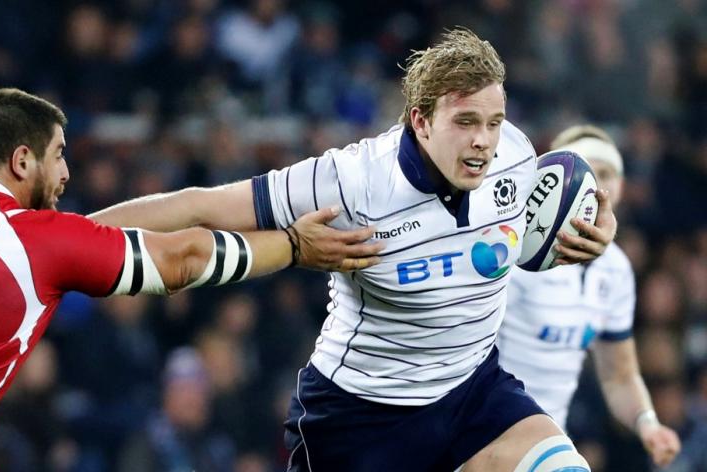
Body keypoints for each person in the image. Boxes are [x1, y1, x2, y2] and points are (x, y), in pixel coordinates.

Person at [90, 28, 618, 471]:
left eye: (493, 123)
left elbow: (554, 219)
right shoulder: (351, 182)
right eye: (465, 122)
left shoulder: (517, 156)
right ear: (420, 120)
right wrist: (60, 240)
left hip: (472, 392)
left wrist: (598, 226)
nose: (484, 140)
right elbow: (200, 206)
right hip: (361, 418)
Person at [0, 88, 381, 471]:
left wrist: (193, 204)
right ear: (22, 160)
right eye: (59, 153)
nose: (66, 171)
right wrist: (295, 247)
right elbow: (183, 260)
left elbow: (71, 240)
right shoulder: (32, 241)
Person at [498, 125, 682, 467]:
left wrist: (648, 425)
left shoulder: (616, 271)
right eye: (588, 171)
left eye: (608, 173)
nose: (598, 185)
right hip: (487, 431)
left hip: (549, 437)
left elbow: (619, 376)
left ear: (622, 189)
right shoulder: (514, 254)